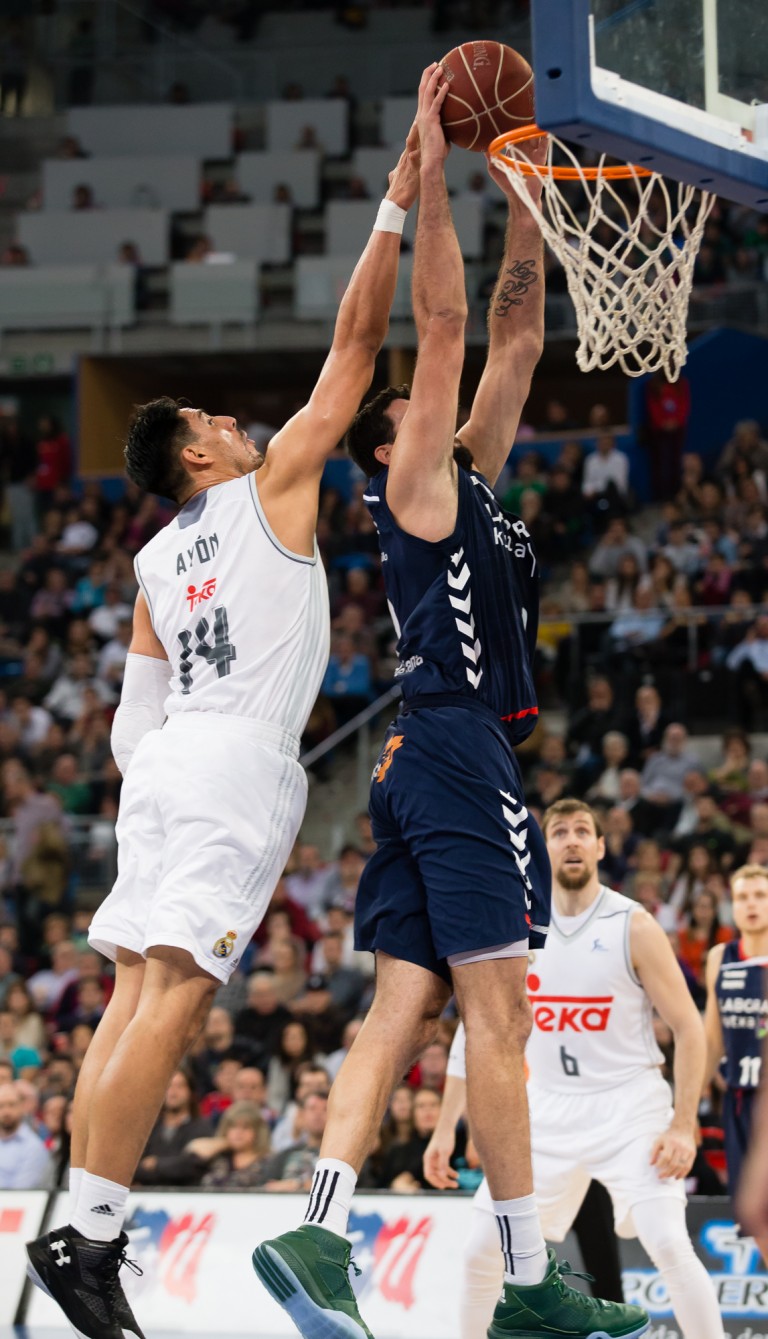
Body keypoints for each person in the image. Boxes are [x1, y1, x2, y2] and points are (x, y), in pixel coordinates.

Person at [252, 66, 647, 1339]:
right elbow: (448, 323)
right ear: (387, 444)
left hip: (429, 751)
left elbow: (520, 338)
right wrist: (426, 156)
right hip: (462, 744)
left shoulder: (467, 480)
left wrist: (525, 188)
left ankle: (317, 1230)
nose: (443, 402)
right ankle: (534, 1280)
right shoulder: (412, 481)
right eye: (418, 407)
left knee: (398, 1005)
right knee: (499, 1011)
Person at [25, 125, 423, 1339]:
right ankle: (93, 1232)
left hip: (165, 768)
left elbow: (126, 727)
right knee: (175, 1005)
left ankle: (78, 1225)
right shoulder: (267, 487)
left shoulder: (150, 558)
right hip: (236, 758)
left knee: (130, 998)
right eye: (212, 417)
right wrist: (396, 207)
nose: (236, 420)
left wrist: (169, 775)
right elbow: (357, 347)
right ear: (196, 454)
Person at [425, 798, 723, 1339]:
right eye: (558, 831)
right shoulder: (513, 927)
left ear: (601, 846)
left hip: (630, 1105)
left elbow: (689, 1026)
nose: (571, 840)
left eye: (583, 831)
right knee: (479, 1252)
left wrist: (684, 1122)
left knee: (668, 1241)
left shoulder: (634, 924)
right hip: (541, 1110)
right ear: (542, 847)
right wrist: (448, 1125)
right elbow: (476, 1031)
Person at [704, 864, 768, 1264]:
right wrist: (687, 1107)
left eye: (760, 895)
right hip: (738, 1100)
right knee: (754, 1214)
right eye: (742, 896)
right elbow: (711, 1036)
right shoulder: (720, 956)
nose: (751, 904)